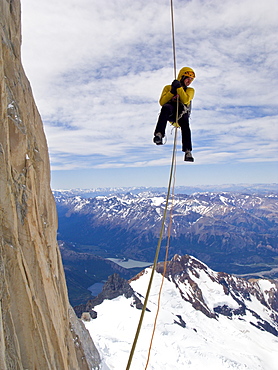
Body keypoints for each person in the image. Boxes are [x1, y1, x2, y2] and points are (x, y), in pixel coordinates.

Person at [153, 67, 196, 162]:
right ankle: (159, 134)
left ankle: (187, 151)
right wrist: (172, 91)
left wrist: (179, 88)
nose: (189, 81)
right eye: (188, 78)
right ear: (182, 77)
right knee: (166, 107)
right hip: (170, 112)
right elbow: (162, 102)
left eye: (191, 79)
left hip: (181, 113)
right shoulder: (168, 88)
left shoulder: (190, 90)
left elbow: (185, 100)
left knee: (185, 122)